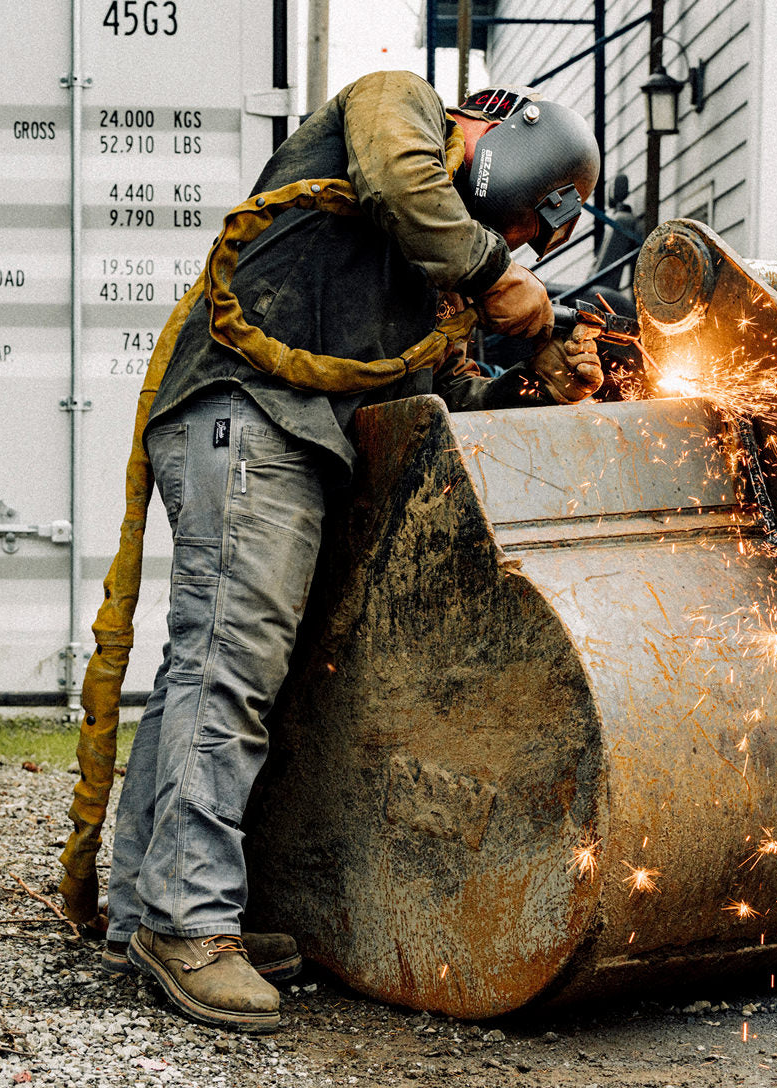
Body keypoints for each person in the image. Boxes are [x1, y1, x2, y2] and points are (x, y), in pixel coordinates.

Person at [99, 72, 604, 1033]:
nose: (526, 253)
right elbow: (398, 181)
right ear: (520, 163)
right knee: (230, 666)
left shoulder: (426, 284)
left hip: (291, 438)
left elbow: (432, 407)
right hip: (245, 412)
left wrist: (538, 384)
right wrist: (500, 277)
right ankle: (191, 923)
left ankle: (147, 908)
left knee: (203, 669)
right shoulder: (394, 108)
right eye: (532, 231)